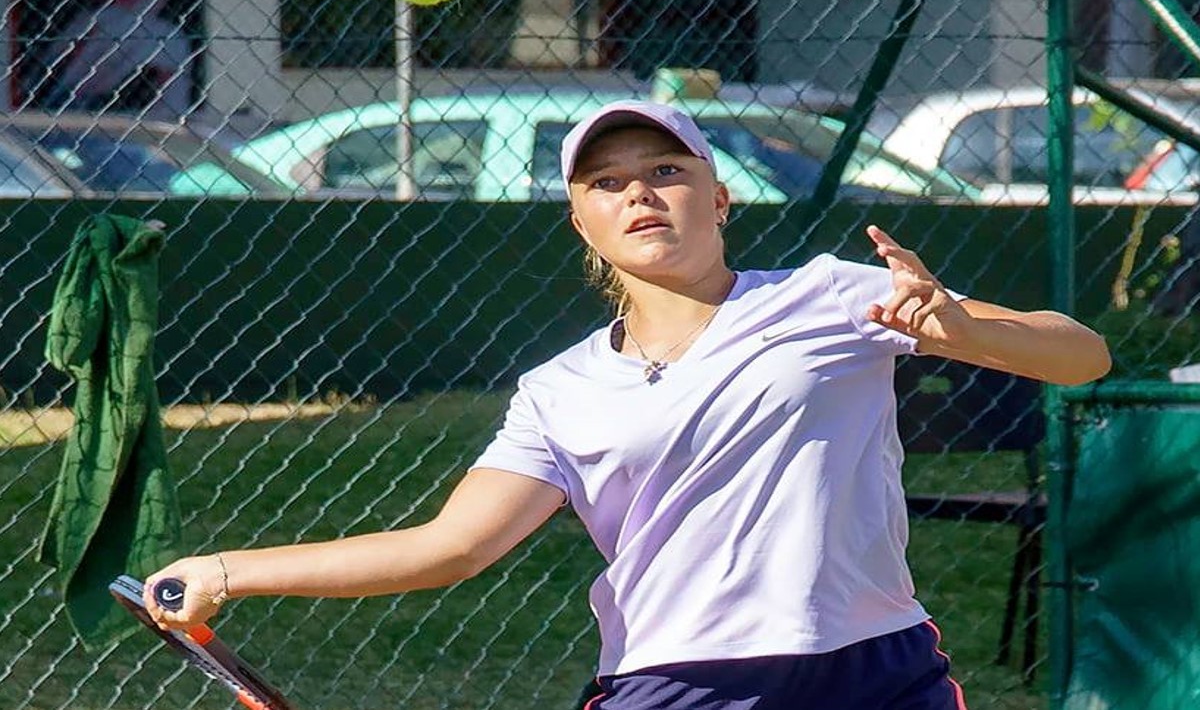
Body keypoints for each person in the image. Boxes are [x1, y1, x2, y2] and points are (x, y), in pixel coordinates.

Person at [144, 99, 1112, 709]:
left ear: (720, 198)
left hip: (872, 667)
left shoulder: (833, 293)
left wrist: (960, 328)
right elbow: (454, 545)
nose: (640, 194)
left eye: (666, 171)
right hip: (680, 681)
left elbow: (1083, 356)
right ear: (581, 219)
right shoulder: (559, 391)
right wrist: (232, 569)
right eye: (608, 183)